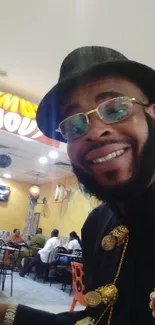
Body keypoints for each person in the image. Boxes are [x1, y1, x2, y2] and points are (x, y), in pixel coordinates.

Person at [2, 46, 155, 324]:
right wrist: (7, 315)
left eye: (116, 108)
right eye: (74, 125)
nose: (95, 132)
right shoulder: (97, 224)